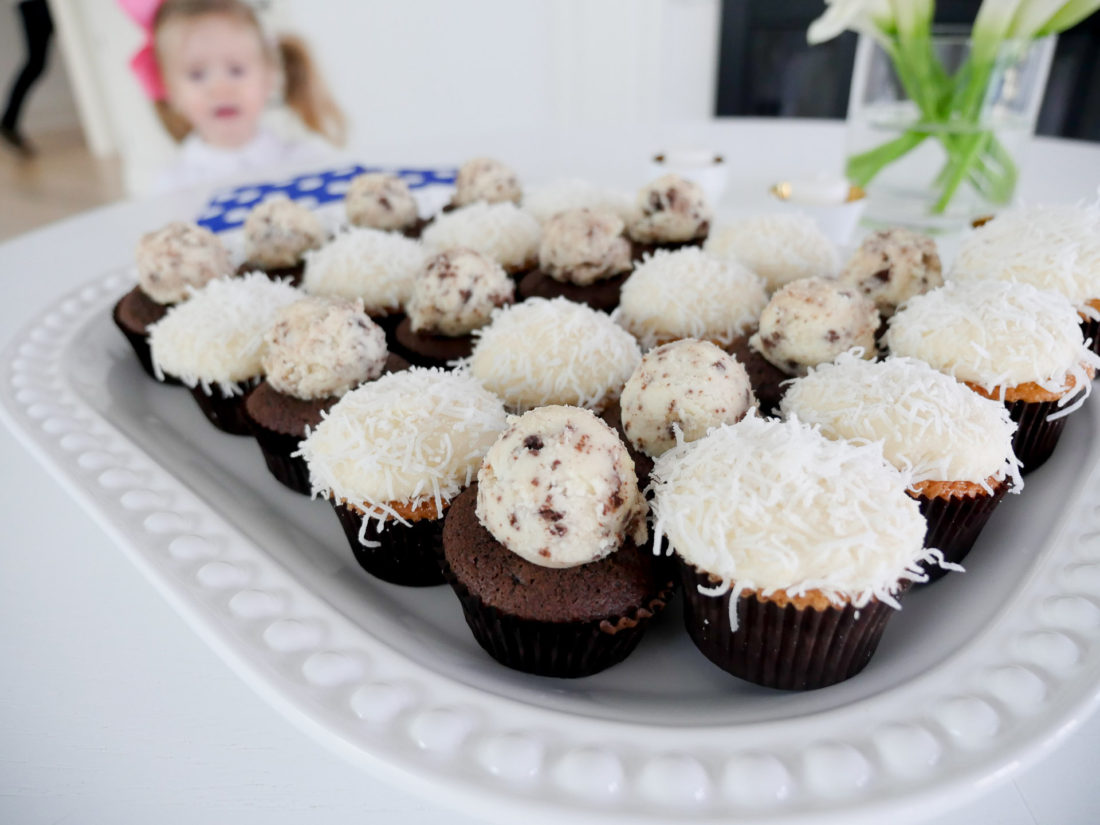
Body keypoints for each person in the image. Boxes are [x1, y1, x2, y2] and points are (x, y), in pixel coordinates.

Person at [119, 0, 346, 193]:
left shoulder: (306, 162)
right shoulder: (171, 189)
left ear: (269, 76)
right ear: (169, 89)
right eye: (197, 75)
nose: (220, 88)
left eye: (236, 70)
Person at [1, 0, 54, 157]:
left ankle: (9, 122)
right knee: (35, 64)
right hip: (35, 4)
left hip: (31, 4)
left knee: (35, 64)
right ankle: (8, 122)